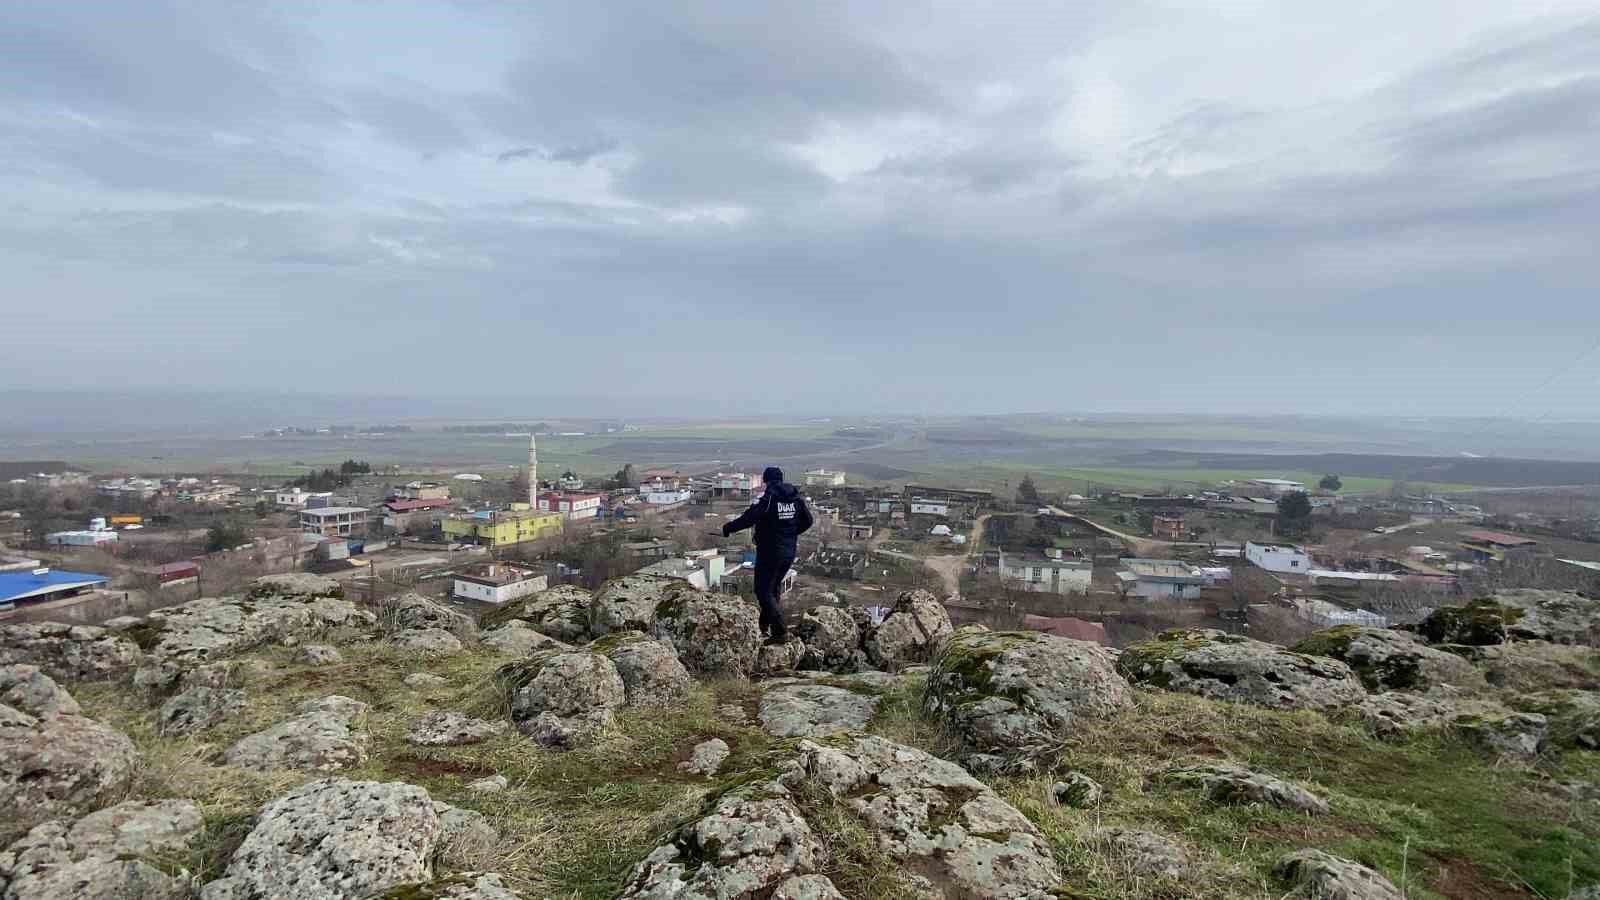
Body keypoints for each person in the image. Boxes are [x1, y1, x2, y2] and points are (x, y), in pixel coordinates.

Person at [722, 466, 812, 644]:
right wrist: (790, 534)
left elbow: (750, 517)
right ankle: (763, 626)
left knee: (762, 591)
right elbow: (808, 521)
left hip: (770, 552)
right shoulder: (796, 498)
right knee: (773, 588)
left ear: (766, 480)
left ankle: (779, 631)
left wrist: (728, 528)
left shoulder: (769, 498)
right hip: (788, 552)